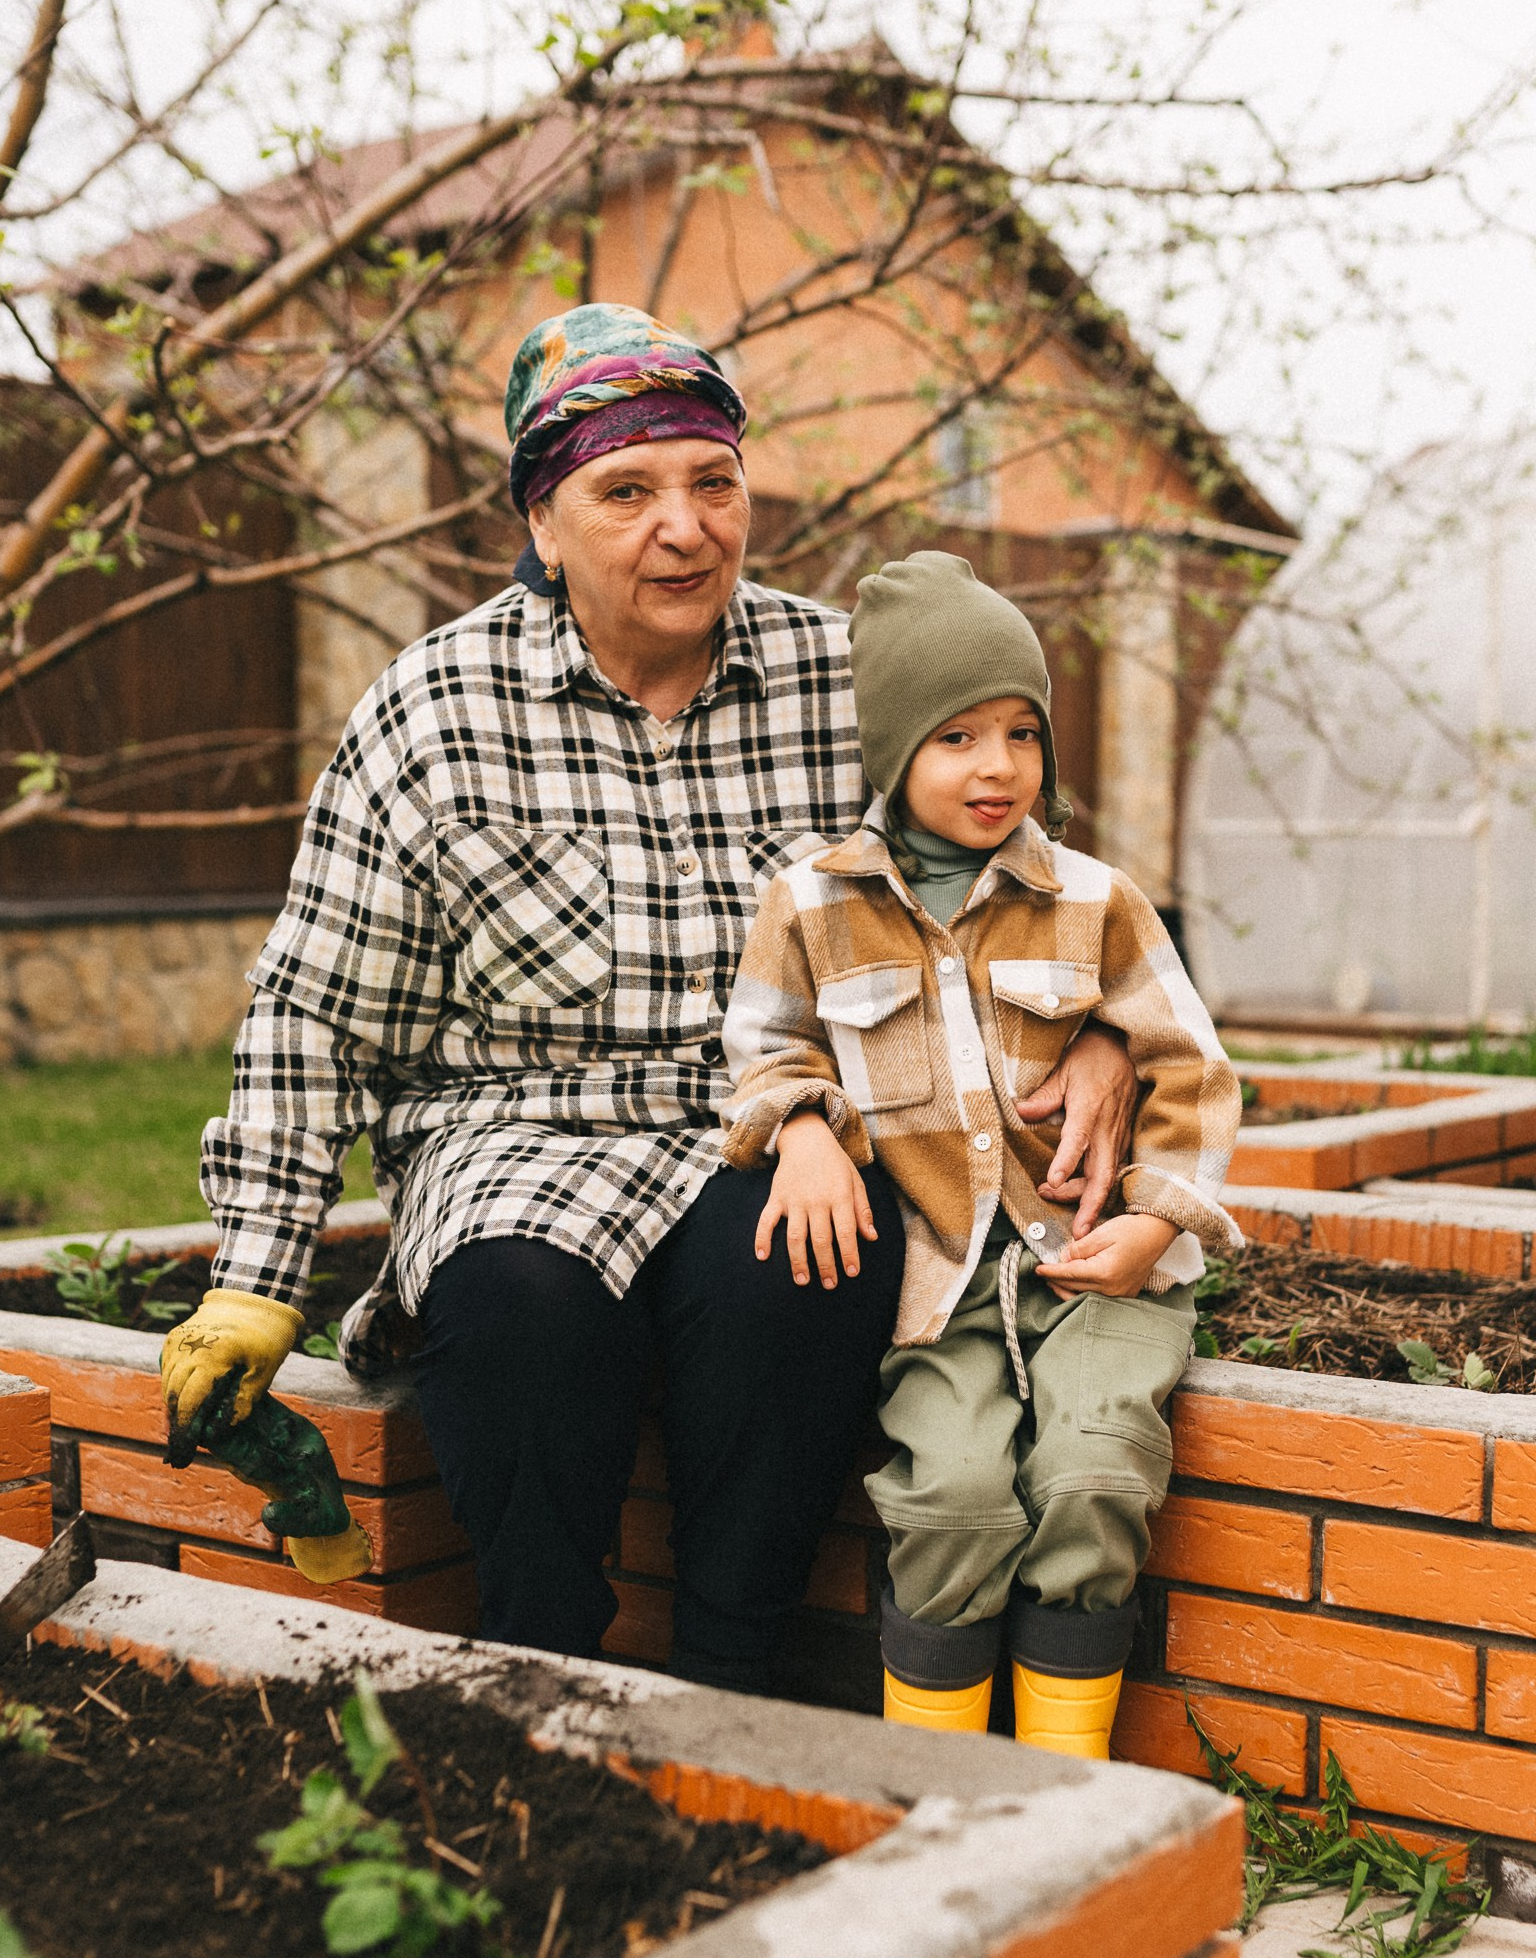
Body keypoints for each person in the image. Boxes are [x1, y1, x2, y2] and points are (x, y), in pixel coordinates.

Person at [158, 307, 1140, 1691]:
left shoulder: (846, 682)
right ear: (543, 523)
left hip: (782, 1118)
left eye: (712, 483)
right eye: (626, 492)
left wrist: (1100, 1031)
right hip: (514, 1131)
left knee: (807, 1269)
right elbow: (315, 1012)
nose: (685, 529)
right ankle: (541, 1674)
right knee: (517, 1302)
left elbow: (1034, 873)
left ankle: (731, 1682)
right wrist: (256, 1278)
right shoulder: (433, 711)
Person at [721, 551, 1242, 1757]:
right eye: (954, 737)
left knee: (1094, 1476)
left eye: (1019, 732)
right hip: (934, 1280)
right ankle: (943, 1788)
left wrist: (1154, 1221)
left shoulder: (1095, 900)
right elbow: (763, 1045)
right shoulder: (810, 903)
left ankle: (1065, 1791)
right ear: (892, 752)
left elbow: (1191, 1069)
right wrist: (798, 1125)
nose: (996, 766)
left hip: (1098, 1268)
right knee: (952, 1503)